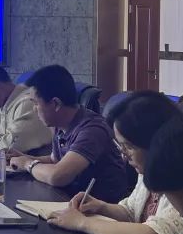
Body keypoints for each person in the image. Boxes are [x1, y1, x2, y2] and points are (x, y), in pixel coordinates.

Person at [46, 91, 183, 234]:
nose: (123, 155)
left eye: (129, 146)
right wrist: (101, 207)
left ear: (154, 141)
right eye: (120, 146)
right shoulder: (147, 170)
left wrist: (82, 223)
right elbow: (131, 212)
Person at [7, 64, 130, 203]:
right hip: (71, 199)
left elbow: (58, 176)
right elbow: (56, 160)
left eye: (36, 103)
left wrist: (27, 164)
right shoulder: (60, 124)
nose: (34, 109)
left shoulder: (92, 129)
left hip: (100, 208)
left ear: (56, 104)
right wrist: (23, 157)